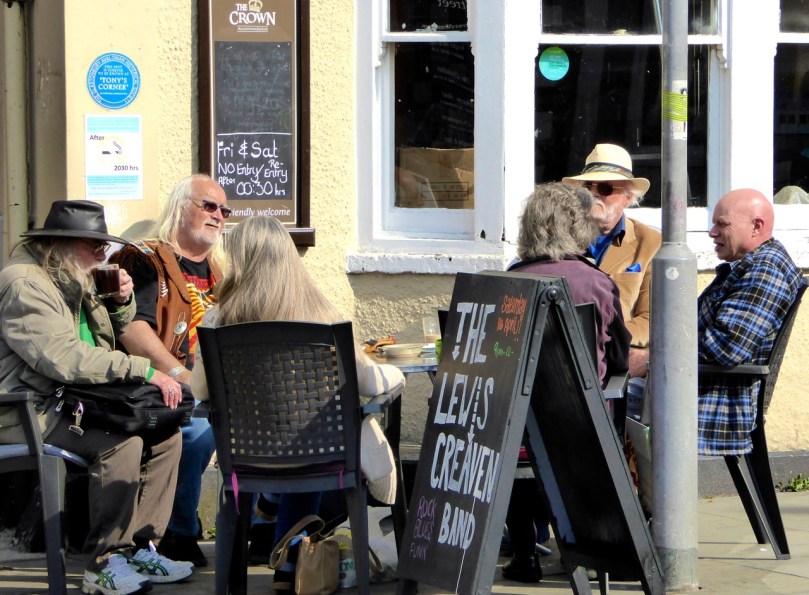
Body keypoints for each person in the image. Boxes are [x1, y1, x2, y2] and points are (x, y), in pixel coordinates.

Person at [189, 215, 405, 592]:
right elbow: (369, 381)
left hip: (249, 455)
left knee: (295, 442)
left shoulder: (218, 320)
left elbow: (200, 392)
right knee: (311, 438)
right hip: (319, 451)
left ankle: (271, 518)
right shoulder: (323, 316)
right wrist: (396, 375)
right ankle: (290, 563)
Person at [0, 200, 193, 595]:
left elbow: (107, 339)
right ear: (62, 243)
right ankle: (104, 563)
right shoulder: (24, 284)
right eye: (96, 246)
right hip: (30, 410)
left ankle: (141, 548)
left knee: (165, 433)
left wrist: (120, 304)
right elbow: (62, 357)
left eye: (105, 246)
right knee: (120, 442)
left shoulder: (73, 274)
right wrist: (143, 371)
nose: (103, 255)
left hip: (75, 400)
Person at [502, 183, 631, 582]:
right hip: (583, 427)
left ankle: (525, 554)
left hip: (520, 428)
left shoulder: (510, 282)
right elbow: (619, 358)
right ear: (578, 228)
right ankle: (597, 549)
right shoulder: (596, 282)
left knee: (522, 433)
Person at [109, 173, 227, 567]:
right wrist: (180, 374)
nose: (218, 215)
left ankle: (268, 527)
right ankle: (177, 531)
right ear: (180, 207)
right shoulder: (144, 259)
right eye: (208, 205)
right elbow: (131, 329)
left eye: (224, 210)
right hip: (157, 386)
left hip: (217, 385)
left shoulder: (221, 270)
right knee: (198, 430)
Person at [697, 188, 802, 456]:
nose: (712, 232)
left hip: (716, 404)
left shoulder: (766, 270)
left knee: (614, 408)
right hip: (702, 388)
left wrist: (655, 356)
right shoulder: (751, 265)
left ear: (757, 226)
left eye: (722, 224)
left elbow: (725, 348)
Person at [562, 143, 661, 378]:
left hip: (616, 365)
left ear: (628, 196)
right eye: (587, 187)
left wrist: (601, 338)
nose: (594, 194)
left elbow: (652, 321)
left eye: (605, 188)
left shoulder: (651, 243)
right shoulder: (560, 238)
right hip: (563, 357)